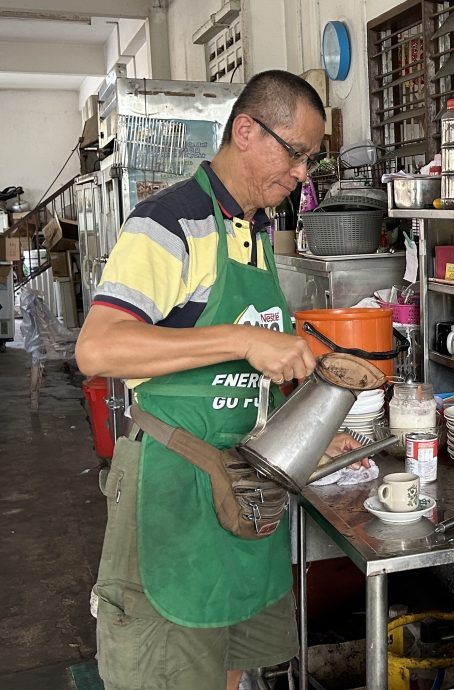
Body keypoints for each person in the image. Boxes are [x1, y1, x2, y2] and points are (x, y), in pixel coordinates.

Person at [76, 70, 362, 690]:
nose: (303, 173)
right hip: (174, 489)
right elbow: (98, 348)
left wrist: (306, 428)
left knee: (230, 669)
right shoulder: (169, 221)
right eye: (297, 153)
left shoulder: (253, 232)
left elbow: (249, 367)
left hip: (242, 492)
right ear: (246, 130)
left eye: (311, 158)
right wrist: (244, 339)